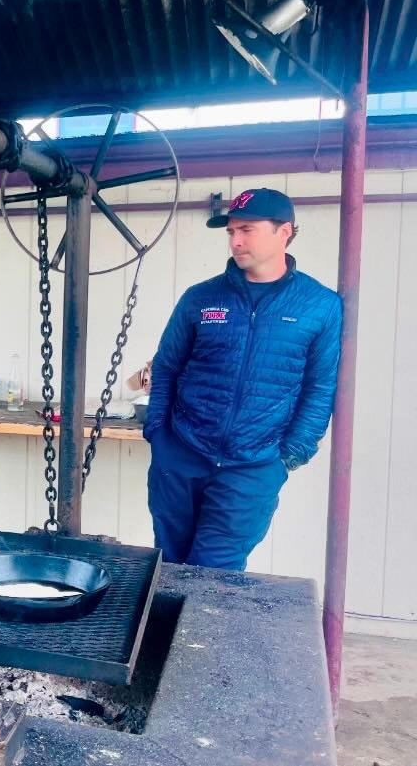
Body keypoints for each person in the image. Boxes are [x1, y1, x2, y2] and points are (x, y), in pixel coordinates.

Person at [145, 188, 341, 570]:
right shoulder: (200, 298)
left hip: (253, 467)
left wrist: (287, 457)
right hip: (181, 455)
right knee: (168, 564)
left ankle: (201, 635)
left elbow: (320, 389)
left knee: (216, 570)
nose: (235, 241)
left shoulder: (319, 305)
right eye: (231, 231)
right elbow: (166, 367)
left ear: (284, 232)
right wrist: (159, 433)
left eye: (247, 229)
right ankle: (160, 633)